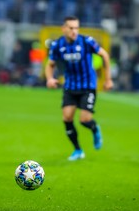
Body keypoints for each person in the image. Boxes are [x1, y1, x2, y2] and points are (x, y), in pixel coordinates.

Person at [45, 16, 114, 161]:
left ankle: (95, 129)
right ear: (64, 29)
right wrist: (50, 78)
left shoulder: (86, 41)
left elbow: (105, 56)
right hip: (70, 86)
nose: (74, 31)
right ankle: (78, 150)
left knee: (84, 120)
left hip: (88, 86)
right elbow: (50, 64)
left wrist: (108, 79)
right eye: (71, 28)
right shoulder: (57, 45)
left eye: (76, 28)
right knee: (67, 118)